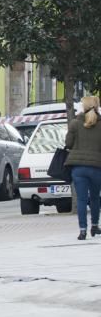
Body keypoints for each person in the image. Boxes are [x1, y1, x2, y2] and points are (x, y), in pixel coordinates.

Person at [64, 95, 101, 240]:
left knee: (81, 199)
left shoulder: (74, 123)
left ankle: (82, 231)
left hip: (78, 168)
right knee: (95, 198)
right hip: (97, 167)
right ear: (96, 106)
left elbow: (68, 144)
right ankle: (95, 226)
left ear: (83, 107)